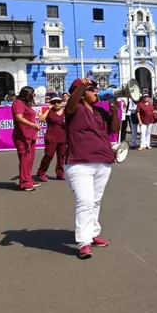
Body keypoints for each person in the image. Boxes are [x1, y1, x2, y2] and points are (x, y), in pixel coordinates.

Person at [64, 78, 120, 259]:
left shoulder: (99, 111)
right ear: (80, 93)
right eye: (92, 89)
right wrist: (81, 86)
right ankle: (83, 242)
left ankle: (93, 233)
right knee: (85, 202)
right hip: (79, 163)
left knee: (95, 201)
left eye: (96, 89)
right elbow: (71, 102)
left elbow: (114, 129)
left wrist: (114, 111)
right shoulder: (74, 109)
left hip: (102, 161)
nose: (96, 91)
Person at [11, 86, 41, 192]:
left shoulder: (26, 104)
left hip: (30, 134)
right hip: (22, 135)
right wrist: (33, 125)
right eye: (32, 94)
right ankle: (24, 183)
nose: (34, 96)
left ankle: (28, 178)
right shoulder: (18, 103)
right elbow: (19, 117)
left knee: (30, 158)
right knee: (25, 159)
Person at [36, 94, 67, 181]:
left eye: (58, 102)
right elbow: (41, 119)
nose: (56, 104)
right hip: (51, 137)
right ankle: (41, 173)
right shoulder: (49, 112)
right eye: (54, 102)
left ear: (62, 103)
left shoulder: (66, 112)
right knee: (48, 155)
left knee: (61, 156)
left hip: (63, 137)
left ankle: (60, 173)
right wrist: (48, 109)